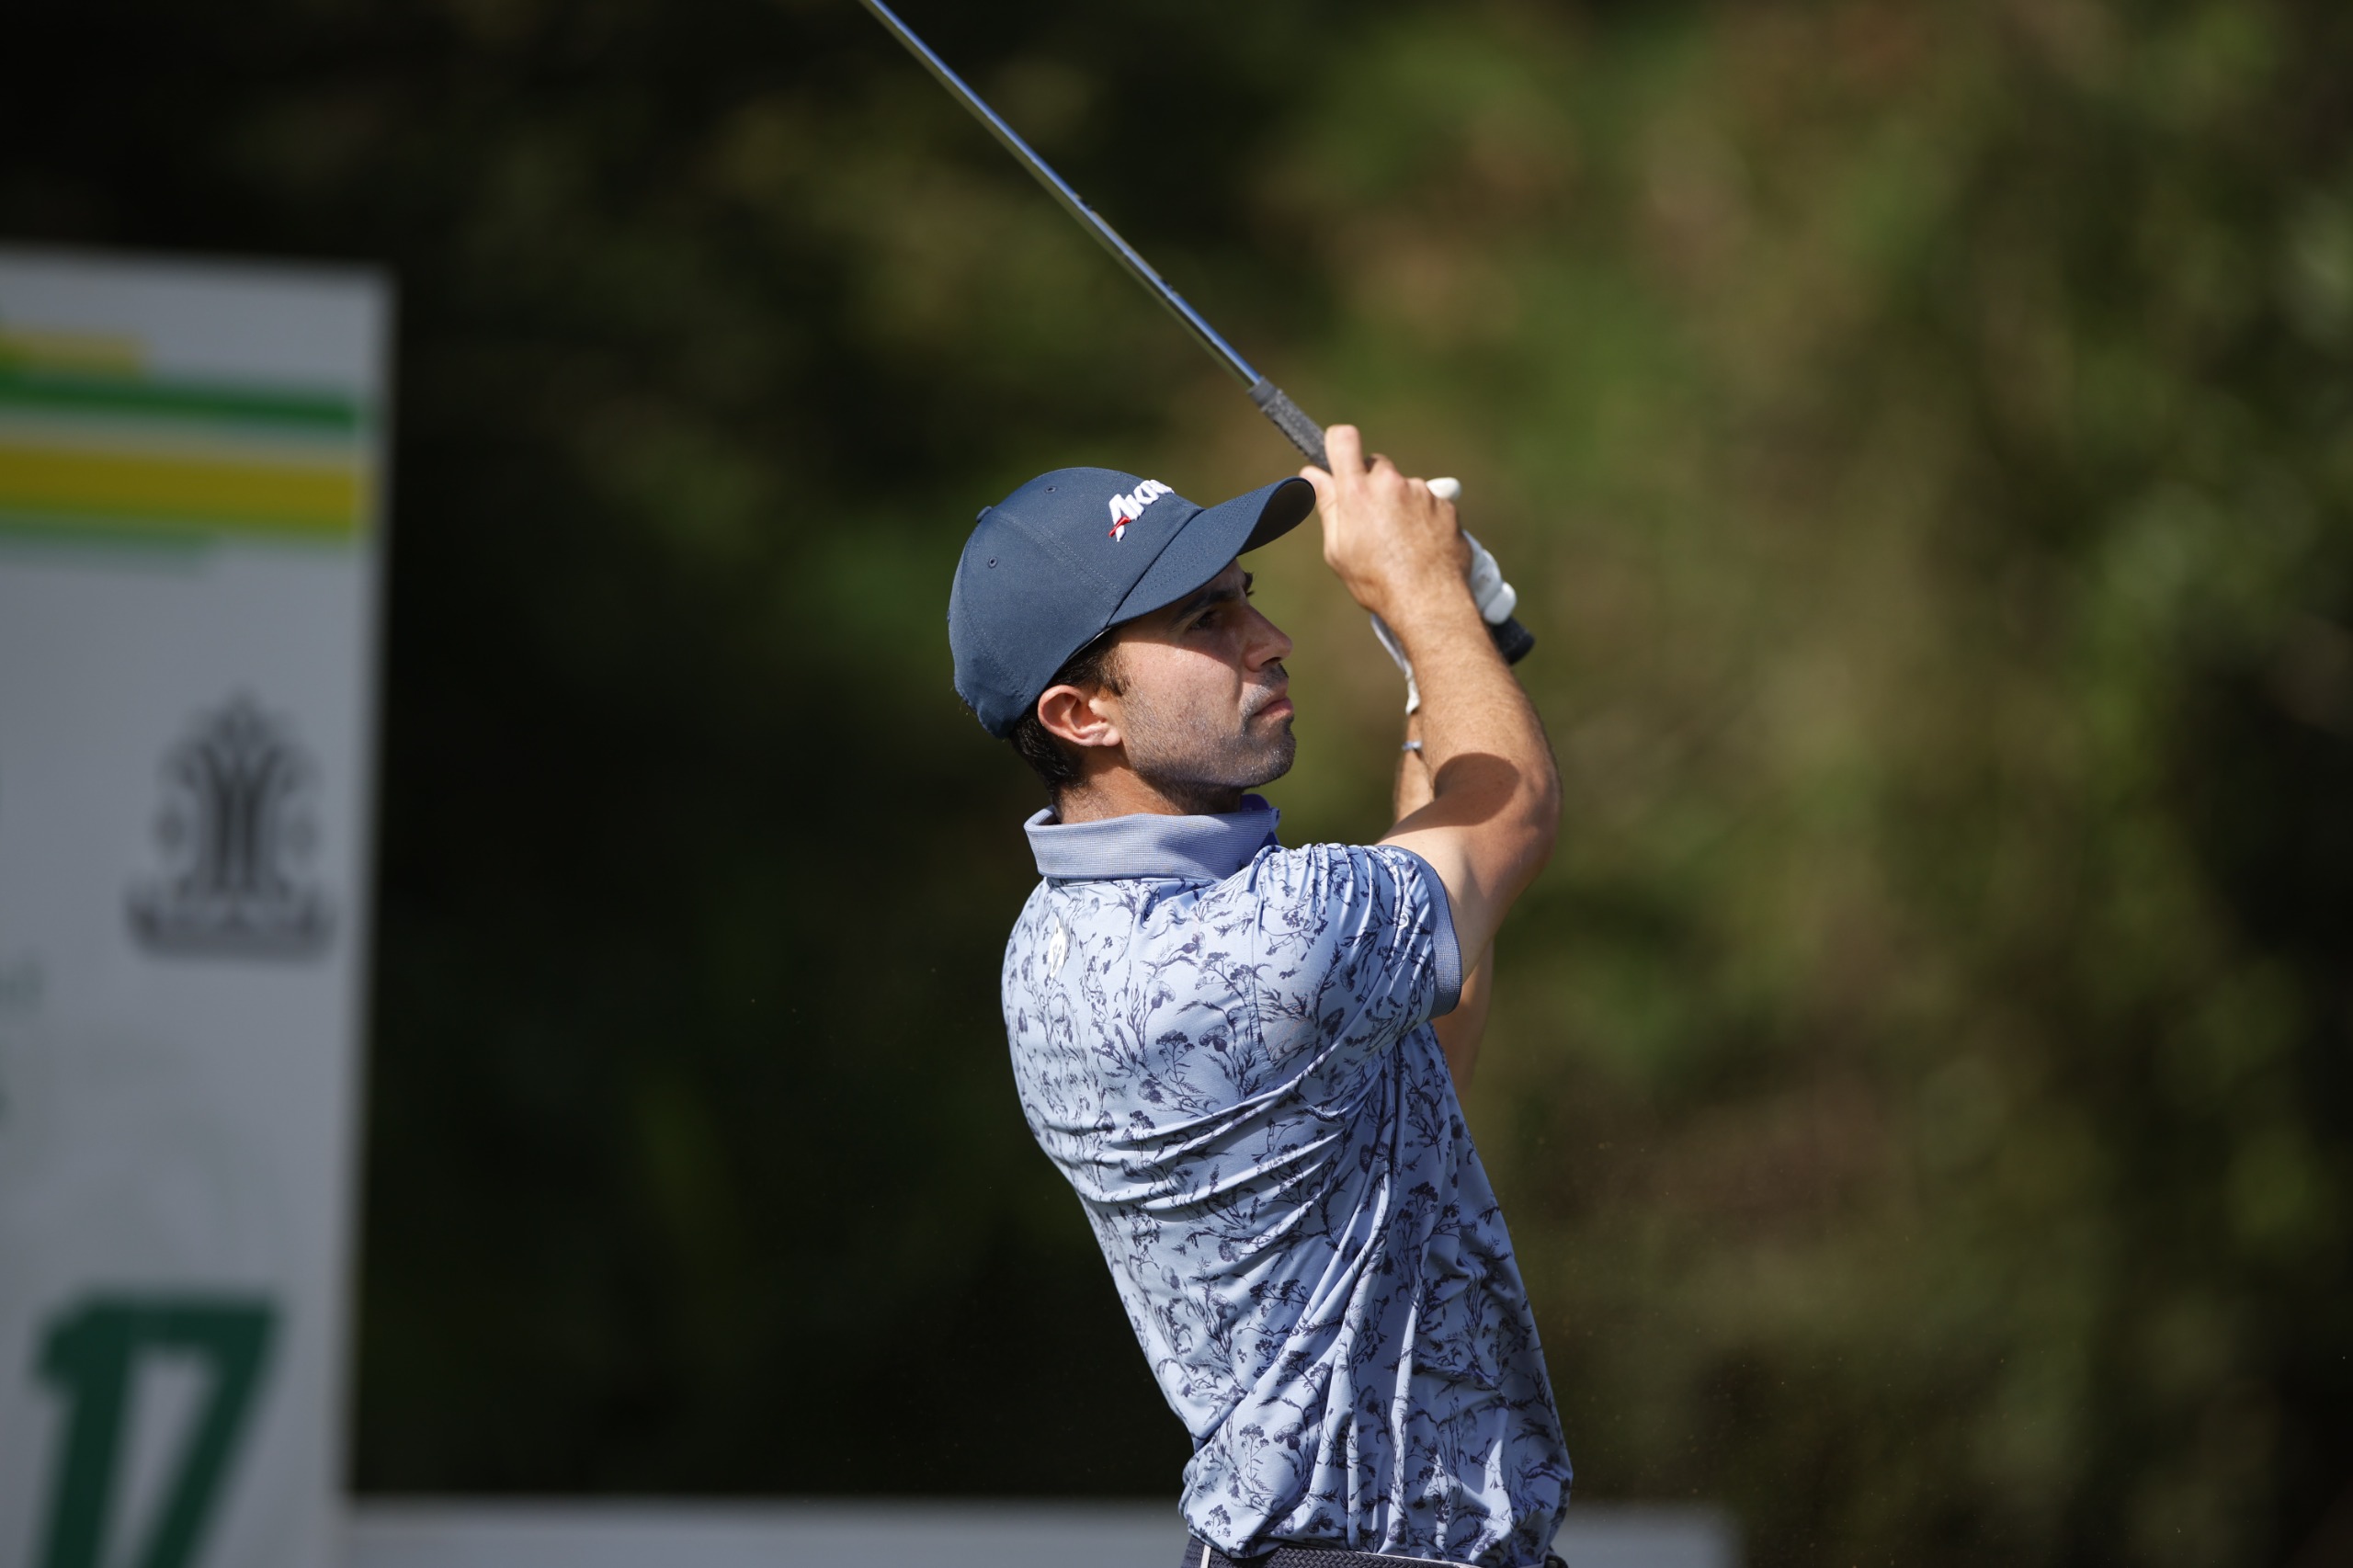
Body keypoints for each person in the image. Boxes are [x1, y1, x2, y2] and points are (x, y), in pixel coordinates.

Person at [947, 426, 1572, 1568]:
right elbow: (1510, 813)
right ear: (1081, 714)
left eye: (1246, 597)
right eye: (1205, 620)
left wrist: (1439, 664)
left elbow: (1427, 1023)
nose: (1269, 638)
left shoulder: (1054, 942)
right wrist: (1428, 599)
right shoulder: (1247, 946)